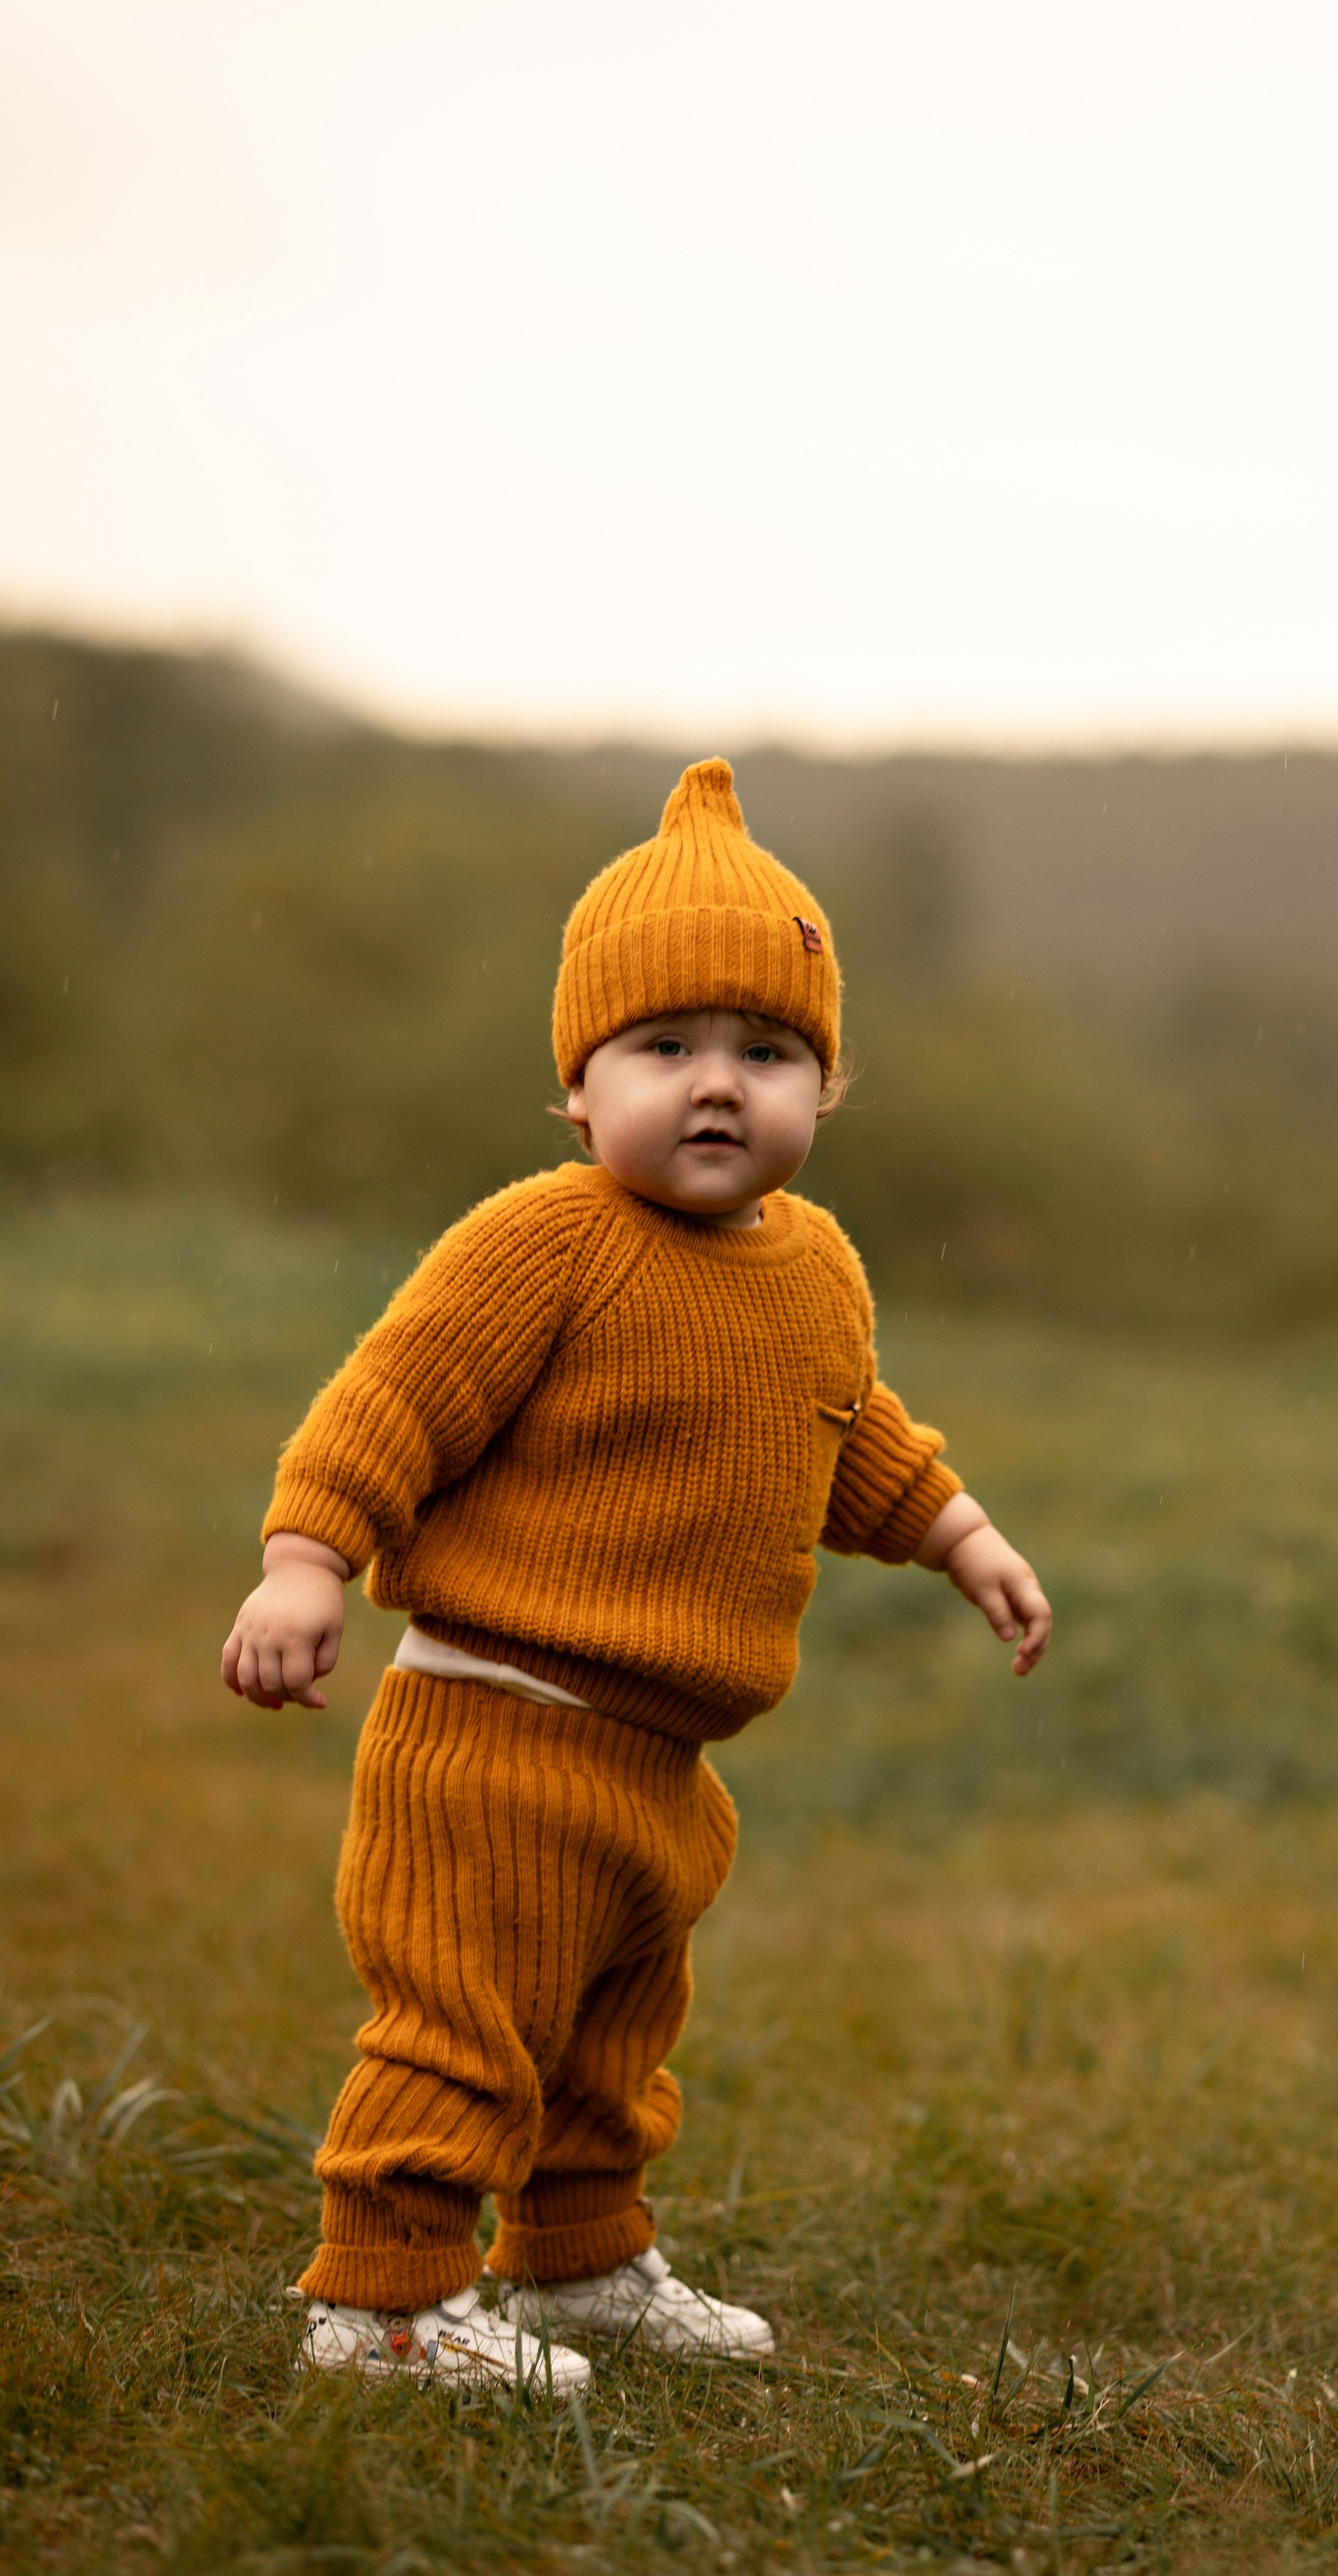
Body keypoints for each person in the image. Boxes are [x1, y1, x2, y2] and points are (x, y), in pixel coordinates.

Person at [218, 761, 1051, 2395]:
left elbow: (846, 1431)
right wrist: (306, 1558)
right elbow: (397, 1395)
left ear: (825, 1086)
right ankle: (380, 2298)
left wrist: (961, 1533)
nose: (717, 1083)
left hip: (660, 1761)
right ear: (580, 1092)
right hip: (493, 1732)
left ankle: (577, 2264)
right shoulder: (546, 1240)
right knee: (464, 2021)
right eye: (664, 1046)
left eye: (768, 1050)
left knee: (609, 2039)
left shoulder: (815, 1266)